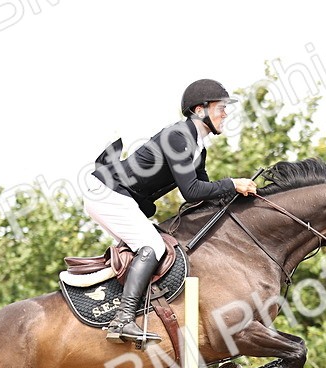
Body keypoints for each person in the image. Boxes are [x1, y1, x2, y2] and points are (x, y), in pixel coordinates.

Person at [85, 78, 258, 345]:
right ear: (200, 110)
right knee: (152, 245)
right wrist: (233, 184)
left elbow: (204, 195)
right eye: (220, 107)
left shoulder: (198, 150)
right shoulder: (178, 137)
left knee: (149, 245)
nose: (226, 113)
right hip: (107, 193)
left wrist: (238, 202)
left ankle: (122, 305)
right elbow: (191, 191)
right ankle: (122, 319)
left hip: (119, 197)